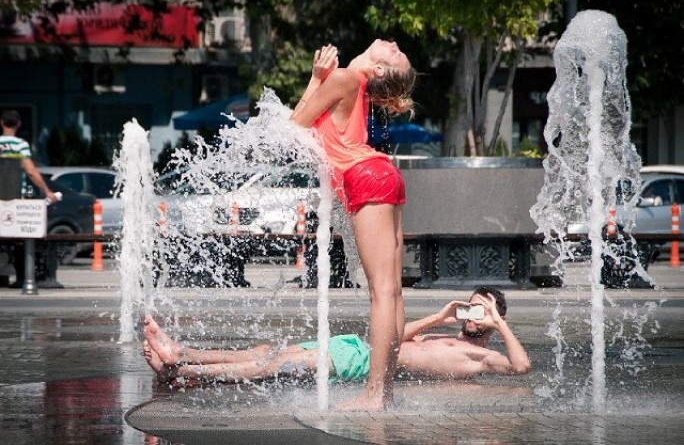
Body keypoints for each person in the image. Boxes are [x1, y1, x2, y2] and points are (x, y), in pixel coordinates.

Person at [289, 40, 417, 410]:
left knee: (381, 292)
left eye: (394, 54)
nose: (393, 44)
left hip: (365, 177)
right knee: (392, 292)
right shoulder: (356, 87)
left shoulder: (344, 79)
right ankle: (384, 392)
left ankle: (374, 394)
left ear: (378, 70)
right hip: (384, 173)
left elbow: (295, 127)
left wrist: (315, 79)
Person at [142, 287, 531, 396]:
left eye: (485, 310)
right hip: (355, 347)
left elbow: (521, 367)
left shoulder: (483, 356)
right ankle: (182, 354)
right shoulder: (444, 333)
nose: (475, 314)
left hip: (360, 364)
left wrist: (498, 321)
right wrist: (442, 315)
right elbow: (395, 337)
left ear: (497, 319)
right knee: (267, 353)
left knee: (273, 366)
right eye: (474, 306)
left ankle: (184, 371)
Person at [0, 109, 58, 203]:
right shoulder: (20, 145)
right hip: (15, 197)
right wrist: (47, 191)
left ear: (1, 123)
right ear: (19, 124)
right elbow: (30, 171)